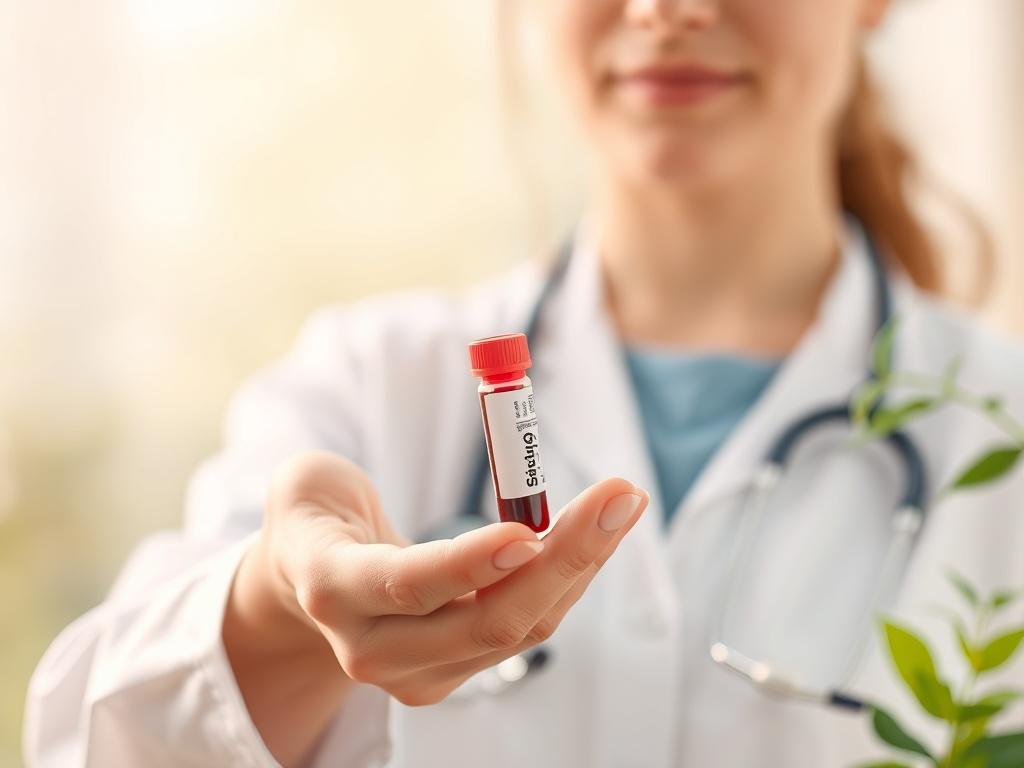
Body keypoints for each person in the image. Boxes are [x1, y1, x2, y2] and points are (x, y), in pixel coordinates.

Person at [24, 1, 1024, 766]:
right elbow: (83, 744)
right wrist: (274, 619)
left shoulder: (1001, 428)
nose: (664, 8)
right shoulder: (369, 386)